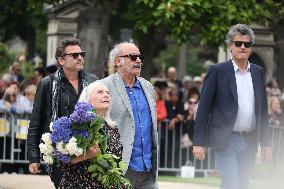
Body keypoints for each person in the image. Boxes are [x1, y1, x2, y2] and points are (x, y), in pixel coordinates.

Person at [193, 24, 272, 189]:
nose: (243, 47)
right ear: (230, 46)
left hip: (250, 140)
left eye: (247, 44)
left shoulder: (258, 72)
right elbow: (203, 108)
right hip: (226, 139)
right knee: (231, 185)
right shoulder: (217, 71)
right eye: (238, 43)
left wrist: (266, 144)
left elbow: (262, 111)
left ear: (250, 47)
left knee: (243, 185)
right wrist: (199, 142)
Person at [27, 38, 96, 188]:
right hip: (61, 153)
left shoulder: (93, 82)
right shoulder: (48, 83)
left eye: (81, 54)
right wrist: (33, 157)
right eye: (74, 55)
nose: (80, 57)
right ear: (61, 60)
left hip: (89, 152)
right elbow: (36, 121)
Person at [100, 42, 158, 189]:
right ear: (118, 61)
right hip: (119, 169)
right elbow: (95, 124)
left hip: (147, 170)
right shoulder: (103, 87)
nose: (138, 60)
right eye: (133, 57)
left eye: (140, 57)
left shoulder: (148, 87)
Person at [59, 81, 124, 188]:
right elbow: (60, 162)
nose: (106, 95)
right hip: (78, 185)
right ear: (87, 99)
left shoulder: (113, 127)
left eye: (108, 93)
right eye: (100, 92)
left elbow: (115, 163)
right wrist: (86, 155)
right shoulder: (77, 124)